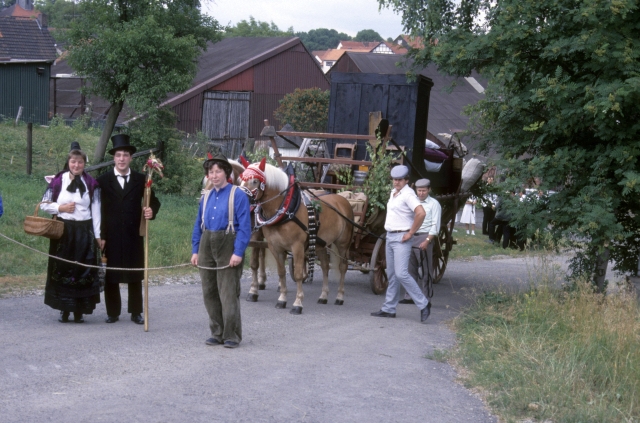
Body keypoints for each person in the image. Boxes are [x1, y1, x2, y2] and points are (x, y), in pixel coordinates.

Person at [97, 134, 160, 324]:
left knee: (134, 274)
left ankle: (136, 311)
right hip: (111, 234)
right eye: (118, 155)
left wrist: (150, 211)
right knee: (111, 274)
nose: (122, 159)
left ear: (131, 158)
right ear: (113, 158)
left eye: (125, 155)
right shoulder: (103, 181)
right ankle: (113, 312)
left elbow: (153, 202)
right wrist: (101, 235)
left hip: (133, 234)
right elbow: (98, 210)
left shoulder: (142, 180)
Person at [191, 153, 251, 349]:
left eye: (218, 171)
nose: (214, 175)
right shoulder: (206, 196)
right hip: (206, 243)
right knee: (209, 291)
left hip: (228, 243)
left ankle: (231, 335)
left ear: (226, 173)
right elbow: (198, 225)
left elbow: (245, 227)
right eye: (211, 172)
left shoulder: (238, 195)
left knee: (228, 292)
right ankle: (216, 333)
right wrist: (195, 250)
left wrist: (238, 252)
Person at [40, 142, 102, 323]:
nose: (76, 165)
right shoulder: (58, 181)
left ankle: (79, 311)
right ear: (68, 162)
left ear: (84, 163)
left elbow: (96, 212)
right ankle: (64, 309)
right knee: (63, 269)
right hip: (63, 232)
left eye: (80, 162)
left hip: (84, 232)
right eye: (73, 161)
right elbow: (44, 205)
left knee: (82, 270)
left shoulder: (91, 184)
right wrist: (60, 208)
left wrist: (98, 236)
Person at [371, 165, 432, 323]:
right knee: (392, 274)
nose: (396, 182)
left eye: (399, 180)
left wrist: (411, 233)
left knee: (401, 273)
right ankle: (389, 308)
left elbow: (421, 213)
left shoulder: (408, 194)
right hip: (390, 236)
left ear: (406, 180)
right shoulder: (394, 193)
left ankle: (424, 303)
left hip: (402, 237)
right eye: (394, 179)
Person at [401, 179, 441, 303]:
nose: (421, 193)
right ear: (416, 190)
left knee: (425, 270)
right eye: (419, 191)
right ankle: (409, 296)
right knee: (410, 269)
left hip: (425, 236)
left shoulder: (434, 204)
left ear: (429, 190)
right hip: (411, 236)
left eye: (424, 190)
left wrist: (428, 240)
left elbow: (435, 225)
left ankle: (426, 297)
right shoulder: (412, 202)